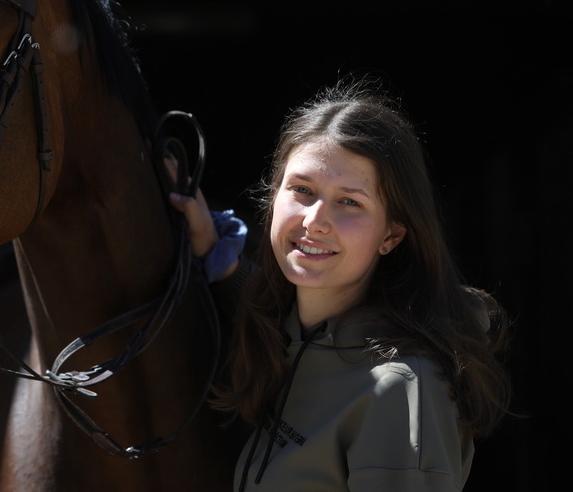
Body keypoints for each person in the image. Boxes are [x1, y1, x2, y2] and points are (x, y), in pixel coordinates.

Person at [170, 78, 512, 491]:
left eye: (349, 201)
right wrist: (212, 249)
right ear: (272, 199)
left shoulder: (399, 393)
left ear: (392, 236)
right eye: (301, 190)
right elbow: (267, 316)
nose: (314, 220)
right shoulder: (296, 337)